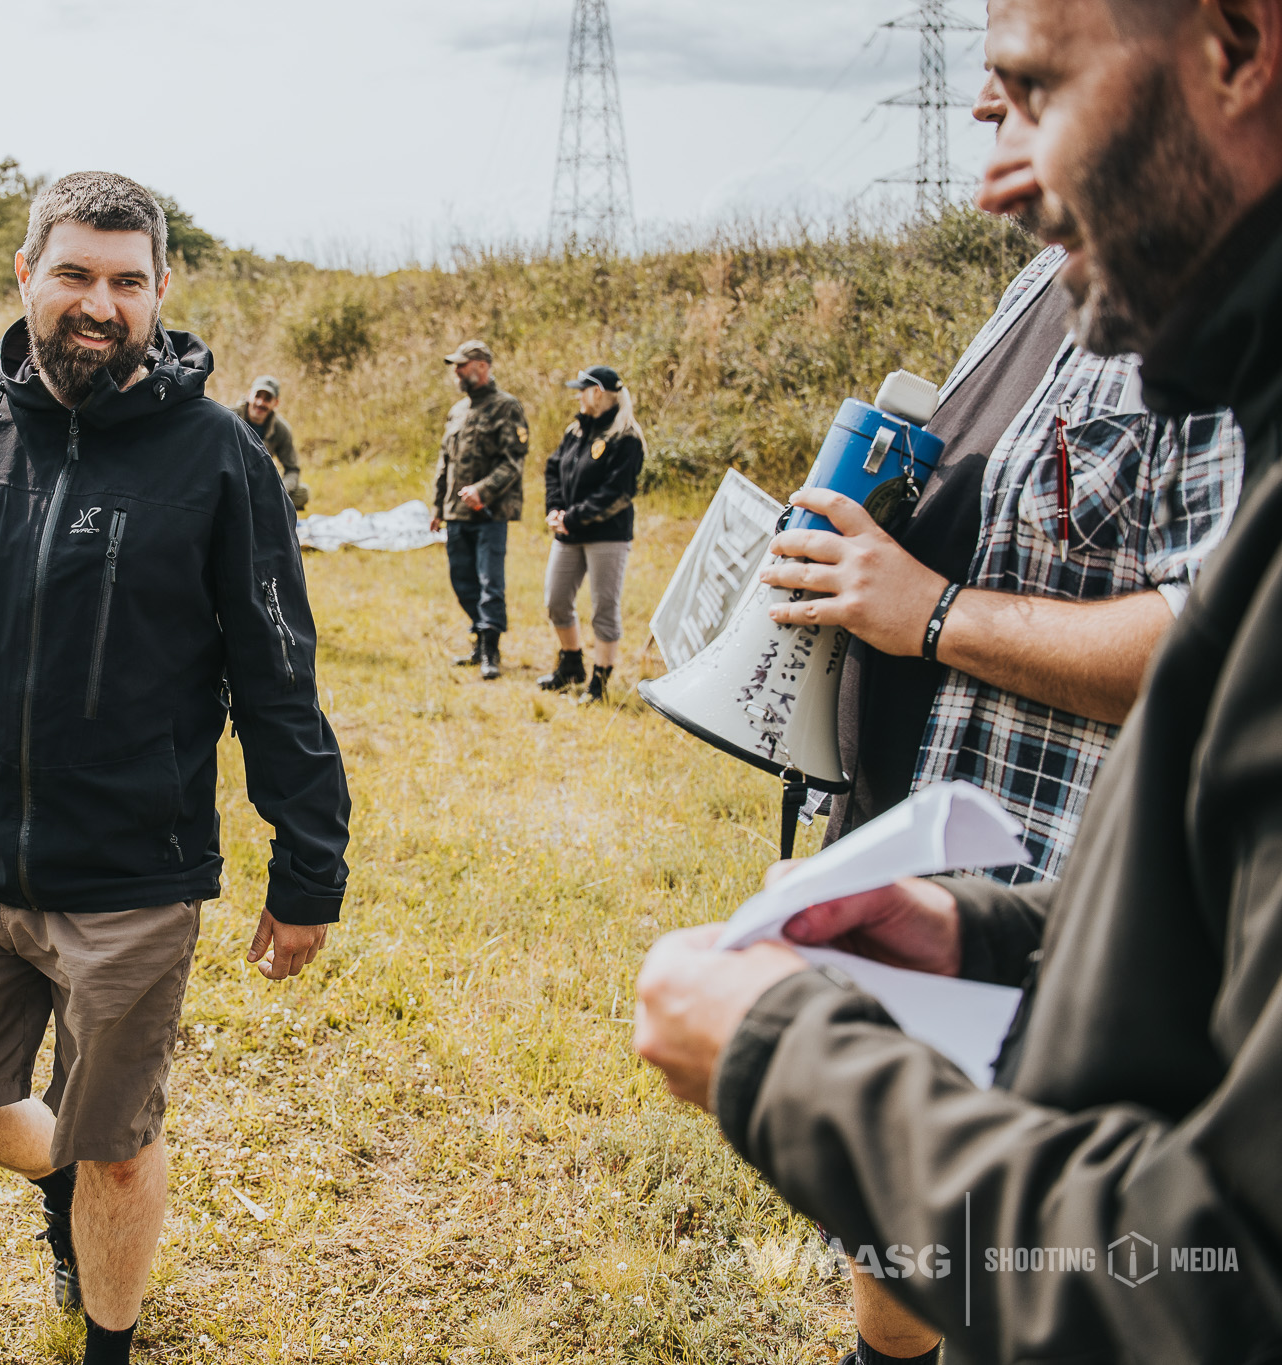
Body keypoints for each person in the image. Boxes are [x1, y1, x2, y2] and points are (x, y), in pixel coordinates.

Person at [634, 1, 1282, 1360]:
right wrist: (988, 936)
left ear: (1239, 43)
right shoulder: (1098, 310)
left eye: (1037, 93)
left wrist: (775, 1060)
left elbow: (1221, 1280)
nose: (992, 175)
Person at [765, 73, 1243, 1365]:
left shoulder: (1221, 323)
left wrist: (926, 611)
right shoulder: (1050, 287)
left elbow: (1219, 634)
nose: (997, 165)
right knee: (921, 1206)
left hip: (1070, 896)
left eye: (1035, 93)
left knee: (1044, 1262)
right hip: (937, 865)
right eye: (989, 110)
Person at [0, 171, 351, 1365]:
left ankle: (108, 1341)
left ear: (160, 293)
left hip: (133, 875)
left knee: (124, 1142)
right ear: (24, 274)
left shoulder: (217, 456)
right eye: (75, 273)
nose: (99, 303)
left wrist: (308, 869)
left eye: (126, 282)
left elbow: (277, 674)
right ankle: (64, 1176)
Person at [537, 365, 644, 705]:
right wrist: (555, 508)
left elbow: (618, 493)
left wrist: (575, 517)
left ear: (598, 392)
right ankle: (571, 665)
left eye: (582, 389)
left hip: (606, 536)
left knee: (604, 608)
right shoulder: (576, 429)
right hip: (567, 532)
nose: (577, 395)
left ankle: (599, 682)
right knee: (555, 601)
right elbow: (554, 467)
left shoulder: (626, 437)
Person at [429, 339, 528, 680]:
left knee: (490, 582)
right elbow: (445, 461)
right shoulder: (458, 411)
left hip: (490, 512)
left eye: (462, 365)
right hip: (456, 512)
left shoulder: (507, 407)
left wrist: (482, 490)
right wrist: (437, 505)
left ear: (482, 366)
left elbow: (513, 462)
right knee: (462, 579)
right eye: (455, 366)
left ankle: (491, 649)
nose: (456, 371)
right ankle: (477, 638)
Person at [236, 375, 308, 511]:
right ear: (249, 395)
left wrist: (280, 490)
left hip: (259, 486)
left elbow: (292, 469)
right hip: (230, 480)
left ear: (276, 403)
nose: (260, 403)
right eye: (257, 396)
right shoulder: (230, 416)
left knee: (302, 493)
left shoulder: (281, 429)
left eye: (267, 399)